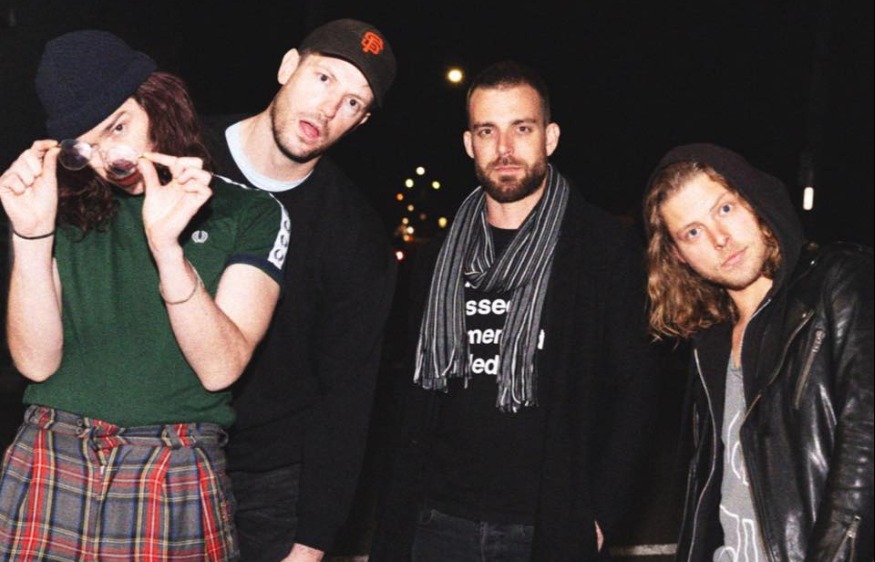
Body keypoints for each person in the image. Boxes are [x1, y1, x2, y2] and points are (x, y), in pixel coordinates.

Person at [0, 29, 288, 560]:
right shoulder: (56, 207)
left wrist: (167, 250)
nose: (111, 158)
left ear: (158, 102)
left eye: (118, 126)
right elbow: (36, 364)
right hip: (49, 451)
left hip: (173, 461)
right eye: (85, 146)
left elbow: (221, 368)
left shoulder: (248, 212)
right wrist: (30, 235)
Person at [368, 59, 660, 561]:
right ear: (469, 144)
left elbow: (636, 390)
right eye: (488, 130)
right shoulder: (438, 257)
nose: (504, 148)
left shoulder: (602, 248)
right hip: (435, 521)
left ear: (550, 137)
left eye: (521, 128)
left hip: (545, 526)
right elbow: (411, 395)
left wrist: (600, 515)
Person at [201, 18, 398, 562]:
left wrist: (312, 542)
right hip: (156, 446)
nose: (329, 108)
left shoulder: (354, 236)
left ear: (360, 122)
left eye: (353, 102)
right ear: (289, 66)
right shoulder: (184, 154)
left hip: (269, 479)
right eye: (324, 78)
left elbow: (347, 398)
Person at [642, 142, 873, 562]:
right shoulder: (708, 344)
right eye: (693, 232)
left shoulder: (837, 285)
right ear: (678, 256)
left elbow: (864, 450)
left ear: (754, 200)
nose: (720, 239)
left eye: (725, 208)